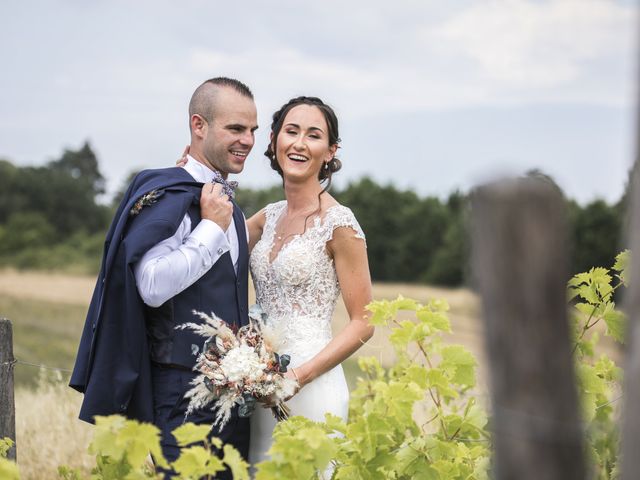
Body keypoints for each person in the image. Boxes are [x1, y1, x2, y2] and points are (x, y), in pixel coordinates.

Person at [70, 77, 259, 477]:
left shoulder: (231, 207)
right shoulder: (173, 194)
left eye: (253, 130)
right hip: (179, 397)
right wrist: (209, 228)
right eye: (236, 129)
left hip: (231, 400)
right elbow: (151, 287)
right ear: (199, 125)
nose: (248, 140)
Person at [245, 96, 374, 468]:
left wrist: (299, 377)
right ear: (273, 141)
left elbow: (364, 322)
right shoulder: (265, 218)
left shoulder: (340, 225)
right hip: (260, 387)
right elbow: (213, 238)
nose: (300, 143)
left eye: (313, 135)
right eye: (291, 131)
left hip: (312, 386)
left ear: (330, 151)